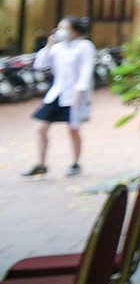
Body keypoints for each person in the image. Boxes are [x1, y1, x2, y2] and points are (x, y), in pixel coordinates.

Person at [21, 15, 93, 177]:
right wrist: (48, 46)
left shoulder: (84, 46)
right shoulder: (57, 47)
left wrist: (80, 91)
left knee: (73, 129)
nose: (61, 32)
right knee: (41, 127)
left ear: (75, 31)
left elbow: (86, 71)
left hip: (74, 95)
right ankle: (41, 163)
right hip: (57, 93)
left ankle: (75, 163)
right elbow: (40, 65)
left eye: (65, 29)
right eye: (59, 28)